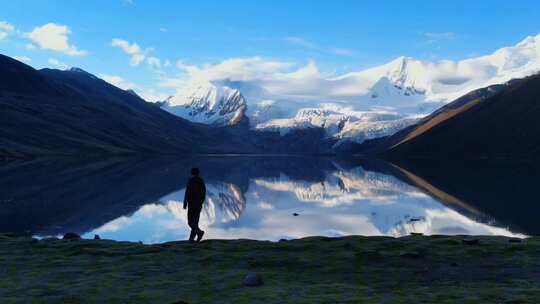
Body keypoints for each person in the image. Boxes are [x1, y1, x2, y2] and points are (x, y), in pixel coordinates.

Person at [183, 167, 206, 242]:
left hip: (192, 204)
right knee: (195, 222)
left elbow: (187, 192)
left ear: (192, 173)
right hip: (198, 205)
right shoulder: (201, 180)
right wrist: (201, 202)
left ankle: (199, 233)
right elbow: (203, 193)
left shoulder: (191, 180)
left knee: (190, 222)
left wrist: (185, 203)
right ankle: (191, 239)